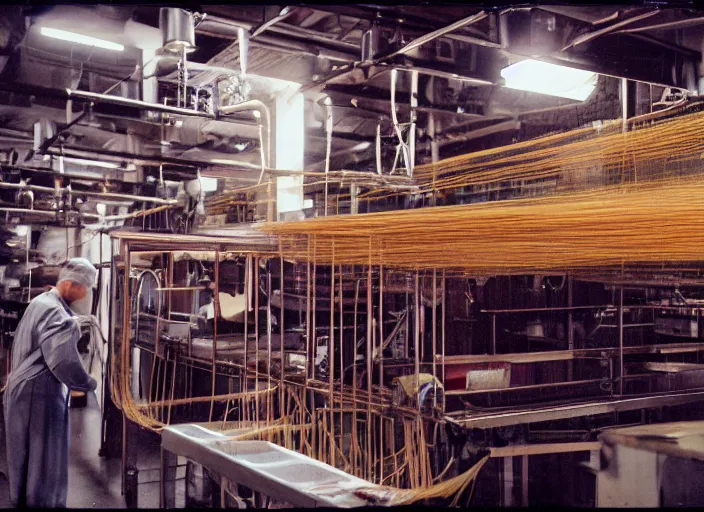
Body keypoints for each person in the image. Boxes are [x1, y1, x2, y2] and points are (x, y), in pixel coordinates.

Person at [3, 258, 98, 508]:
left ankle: (24, 500)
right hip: (40, 391)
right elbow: (63, 362)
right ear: (70, 284)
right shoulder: (55, 311)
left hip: (22, 389)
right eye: (84, 287)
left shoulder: (41, 302)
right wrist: (89, 382)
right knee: (44, 456)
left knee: (25, 454)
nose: (85, 293)